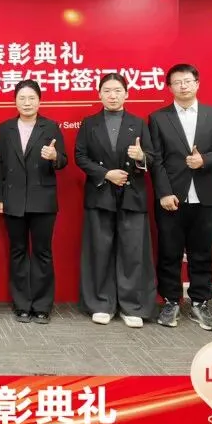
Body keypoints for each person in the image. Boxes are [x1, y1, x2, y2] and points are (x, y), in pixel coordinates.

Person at [150, 63, 212, 331]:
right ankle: (171, 301)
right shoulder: (158, 118)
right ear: (169, 87)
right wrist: (164, 192)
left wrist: (204, 160)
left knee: (203, 253)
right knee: (169, 253)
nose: (183, 86)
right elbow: (156, 160)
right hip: (171, 198)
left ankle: (200, 303)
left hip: (206, 197)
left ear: (197, 83)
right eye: (177, 82)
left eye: (187, 81)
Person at [74, 73, 156, 328]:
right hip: (100, 193)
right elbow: (80, 156)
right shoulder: (89, 123)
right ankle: (101, 304)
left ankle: (132, 306)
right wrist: (106, 174)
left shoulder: (138, 123)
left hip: (132, 194)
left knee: (133, 251)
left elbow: (152, 157)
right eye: (107, 91)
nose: (112, 95)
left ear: (126, 94)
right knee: (100, 250)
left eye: (117, 90)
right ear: (99, 94)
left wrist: (141, 157)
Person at [0, 79, 68, 324]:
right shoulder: (6, 128)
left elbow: (63, 160)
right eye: (22, 98)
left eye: (31, 98)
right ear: (15, 101)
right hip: (13, 199)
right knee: (18, 252)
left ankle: (42, 306)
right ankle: (22, 304)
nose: (27, 103)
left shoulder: (50, 126)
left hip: (42, 199)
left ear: (39, 101)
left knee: (42, 252)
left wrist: (54, 156)